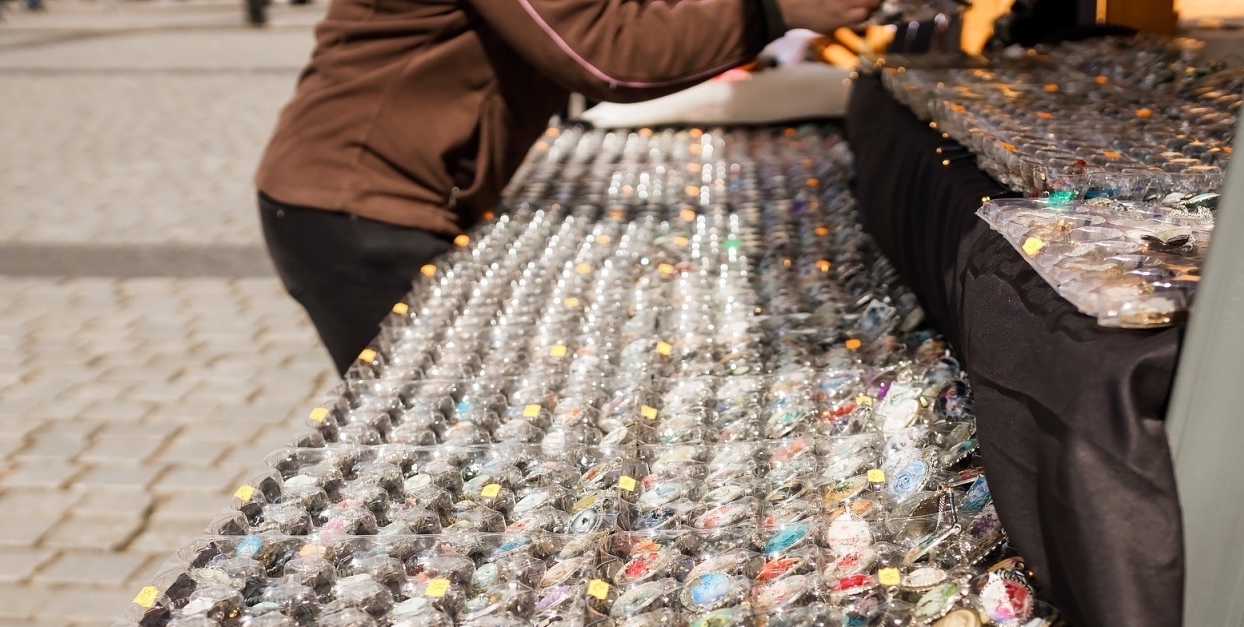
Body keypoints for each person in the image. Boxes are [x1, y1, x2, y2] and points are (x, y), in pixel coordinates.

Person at [257, 0, 875, 377]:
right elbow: (605, 52)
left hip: (389, 196)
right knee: (431, 446)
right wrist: (774, 11)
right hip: (356, 207)